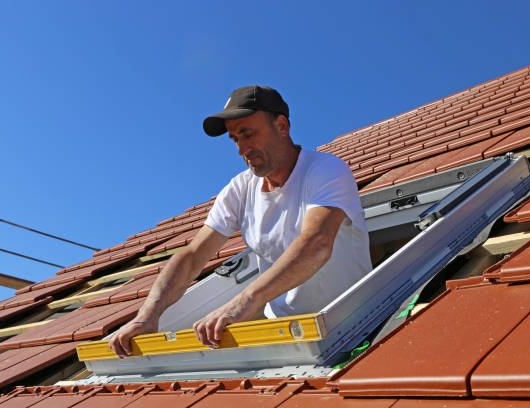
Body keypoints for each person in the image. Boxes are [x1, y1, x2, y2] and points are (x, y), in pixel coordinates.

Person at [109, 85, 371, 357]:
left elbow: (316, 243)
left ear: (281, 126)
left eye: (248, 134)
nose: (241, 149)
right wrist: (147, 316)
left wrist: (245, 300)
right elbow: (193, 255)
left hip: (356, 324)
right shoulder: (240, 189)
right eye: (235, 139)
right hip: (288, 334)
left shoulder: (326, 171)